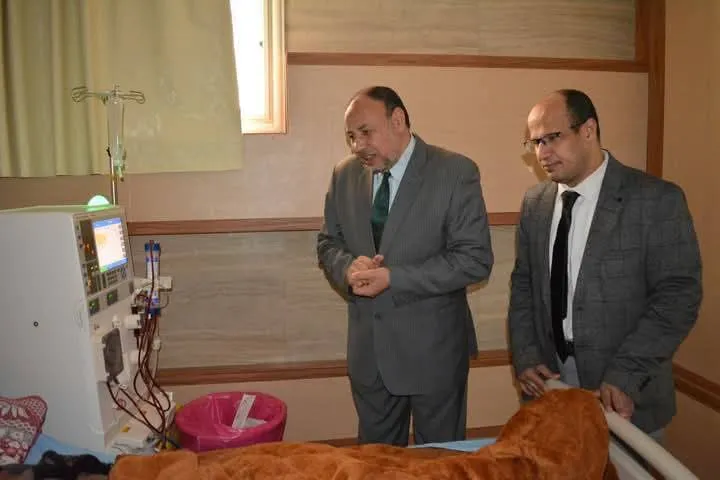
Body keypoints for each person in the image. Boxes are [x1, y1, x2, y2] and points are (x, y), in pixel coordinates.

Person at [508, 89, 702, 438]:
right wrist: (526, 355)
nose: (542, 154)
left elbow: (678, 297)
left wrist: (626, 373)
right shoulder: (536, 202)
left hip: (626, 387)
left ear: (588, 130)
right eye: (535, 143)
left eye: (552, 138)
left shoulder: (655, 199)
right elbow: (524, 283)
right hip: (550, 386)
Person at [317, 86, 494, 446]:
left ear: (397, 120)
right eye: (351, 136)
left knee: (440, 463)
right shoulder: (344, 175)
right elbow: (328, 243)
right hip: (370, 356)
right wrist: (348, 269)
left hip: (434, 354)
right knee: (376, 465)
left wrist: (394, 278)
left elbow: (474, 259)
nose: (357, 145)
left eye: (365, 132)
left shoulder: (454, 171)